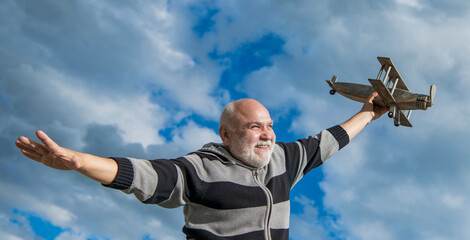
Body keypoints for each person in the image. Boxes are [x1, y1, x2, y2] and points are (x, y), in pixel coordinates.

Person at [15, 93, 387, 240]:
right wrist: (80, 162)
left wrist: (368, 113)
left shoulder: (283, 159)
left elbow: (330, 140)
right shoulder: (201, 168)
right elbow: (146, 176)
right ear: (227, 135)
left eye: (270, 125)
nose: (267, 135)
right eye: (255, 126)